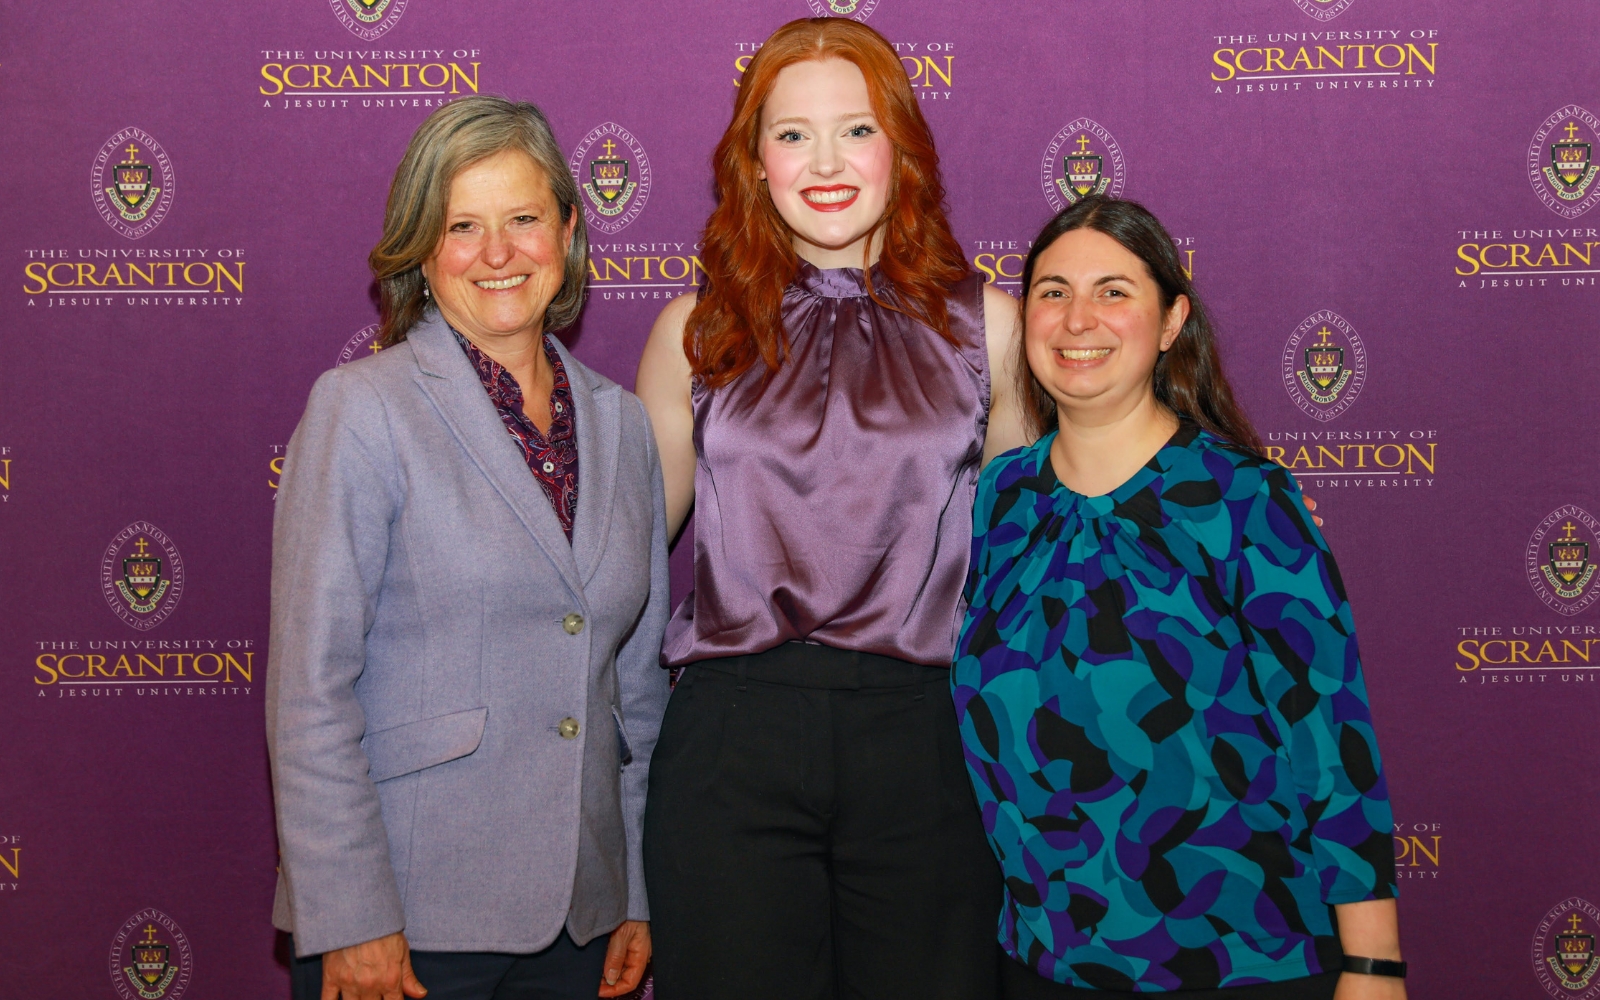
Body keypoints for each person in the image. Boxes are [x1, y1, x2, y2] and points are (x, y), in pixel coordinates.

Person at [634, 16, 1027, 1000]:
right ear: (752, 161)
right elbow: (619, 557)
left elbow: (1036, 557)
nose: (825, 161)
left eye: (855, 129)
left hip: (927, 735)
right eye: (792, 133)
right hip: (734, 738)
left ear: (902, 150)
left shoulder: (990, 323)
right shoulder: (694, 326)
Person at [266, 95, 670, 1000]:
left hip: (580, 917)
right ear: (421, 248)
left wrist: (633, 886)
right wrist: (353, 913)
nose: (498, 253)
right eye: (463, 226)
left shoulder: (624, 425)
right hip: (409, 919)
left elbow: (634, 694)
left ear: (566, 229)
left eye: (524, 219)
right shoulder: (362, 409)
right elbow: (309, 690)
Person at [955, 196, 1405, 1000]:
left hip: (1239, 963)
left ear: (1171, 322)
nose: (1077, 318)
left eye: (1114, 291)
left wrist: (1374, 965)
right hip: (1041, 963)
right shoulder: (1001, 498)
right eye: (1053, 292)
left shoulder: (1244, 500)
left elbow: (1331, 738)